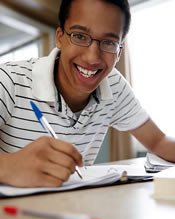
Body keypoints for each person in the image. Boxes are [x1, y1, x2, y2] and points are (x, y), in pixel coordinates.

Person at [0, 0, 175, 188]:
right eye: (80, 36)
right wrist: (6, 167)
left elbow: (158, 141)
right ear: (60, 38)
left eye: (109, 42)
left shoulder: (114, 85)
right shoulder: (8, 79)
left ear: (119, 53)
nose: (92, 58)